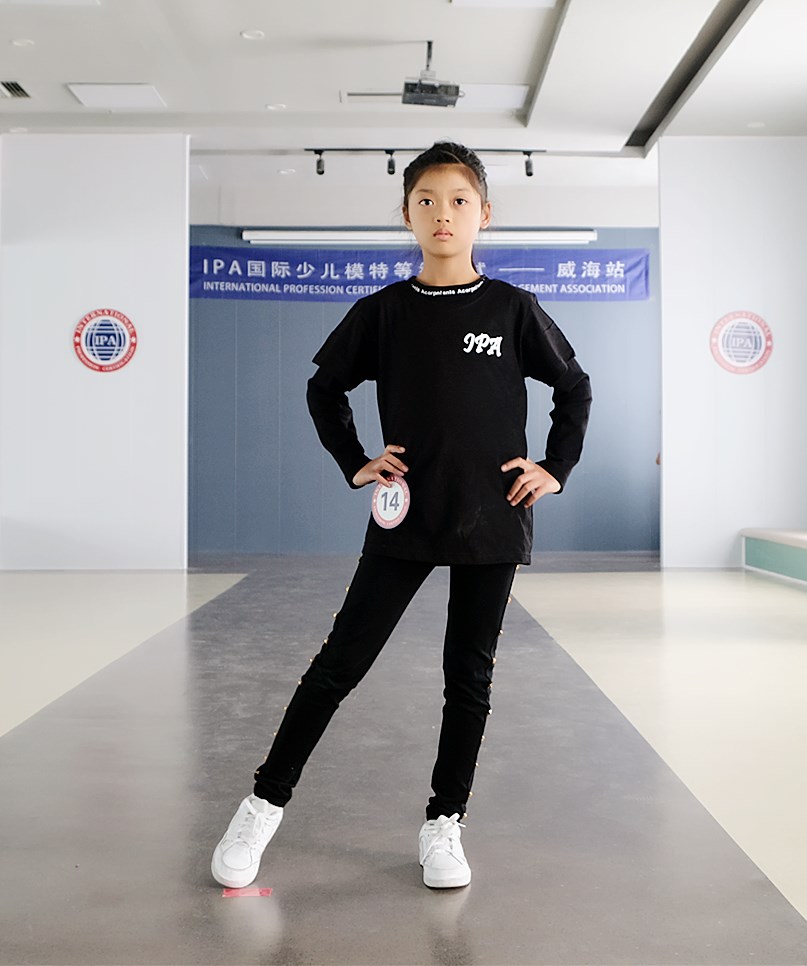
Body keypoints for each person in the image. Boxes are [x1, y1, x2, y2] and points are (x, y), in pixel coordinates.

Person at [211, 141, 592, 891]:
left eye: (458, 200)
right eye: (426, 201)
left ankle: (445, 822)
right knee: (338, 665)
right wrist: (356, 460)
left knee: (468, 677)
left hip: (492, 515)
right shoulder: (383, 312)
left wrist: (555, 468)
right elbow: (324, 389)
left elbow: (573, 387)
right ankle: (262, 806)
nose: (442, 214)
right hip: (406, 516)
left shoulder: (513, 309)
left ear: (484, 214)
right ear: (408, 215)